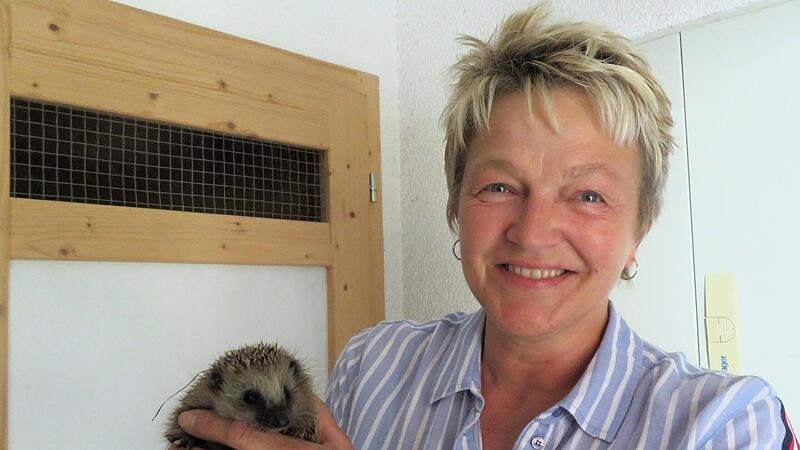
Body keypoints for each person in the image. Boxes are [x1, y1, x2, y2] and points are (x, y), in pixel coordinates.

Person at [171, 4, 798, 449]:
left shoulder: (724, 425)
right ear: (456, 204)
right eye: (500, 186)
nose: (533, 231)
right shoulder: (372, 365)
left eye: (587, 194)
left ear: (640, 229)